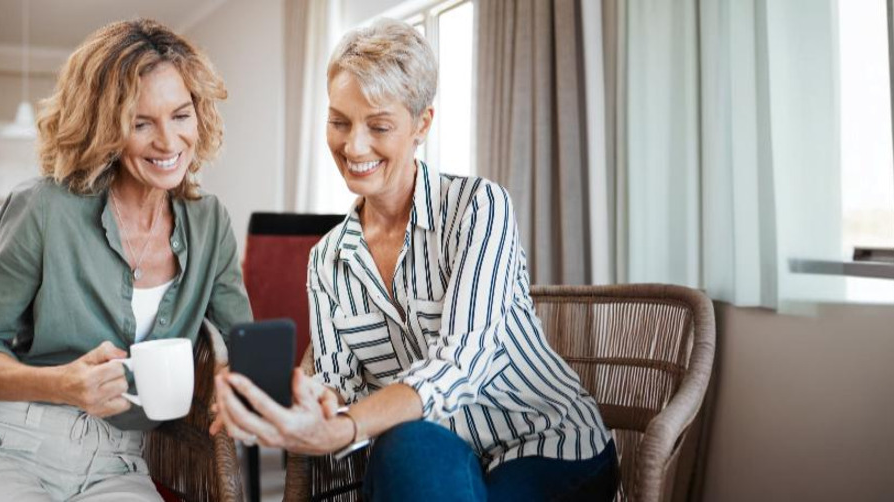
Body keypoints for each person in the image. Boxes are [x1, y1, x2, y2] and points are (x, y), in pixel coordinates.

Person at [211, 19, 619, 501]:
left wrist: (345, 428)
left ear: (421, 124)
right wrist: (304, 403)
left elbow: (462, 362)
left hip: (543, 441)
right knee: (403, 444)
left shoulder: (478, 207)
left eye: (378, 125)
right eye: (339, 121)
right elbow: (338, 381)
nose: (353, 146)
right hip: (437, 445)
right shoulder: (326, 260)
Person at [0, 18, 251, 501]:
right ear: (105, 127)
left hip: (118, 461)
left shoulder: (210, 223)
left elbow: (241, 344)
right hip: (11, 445)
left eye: (181, 115)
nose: (168, 143)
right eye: (140, 122)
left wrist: (237, 377)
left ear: (200, 114)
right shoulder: (44, 207)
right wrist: (62, 384)